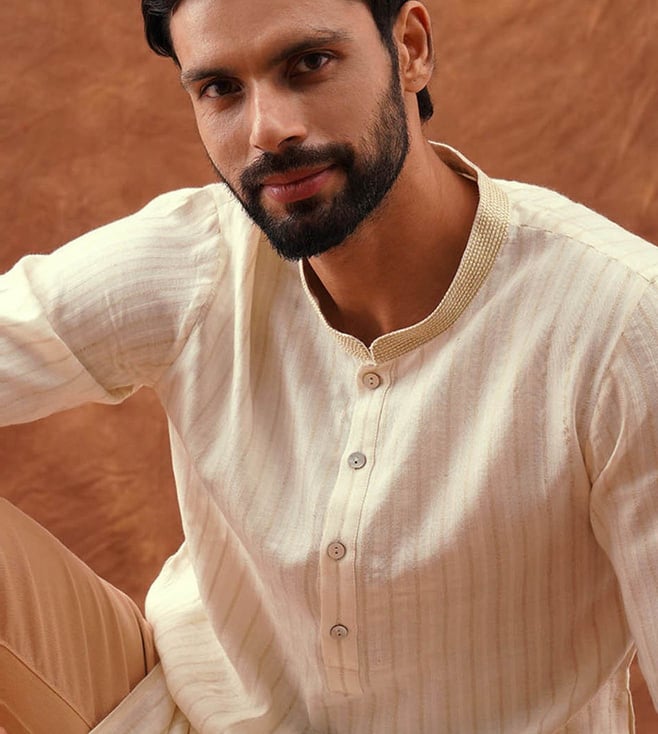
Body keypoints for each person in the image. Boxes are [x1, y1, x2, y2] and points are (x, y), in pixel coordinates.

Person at [1, 0, 657, 732]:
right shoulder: (197, 258)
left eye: (308, 64)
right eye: (221, 88)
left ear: (410, 48)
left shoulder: (622, 323)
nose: (267, 129)